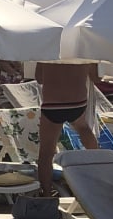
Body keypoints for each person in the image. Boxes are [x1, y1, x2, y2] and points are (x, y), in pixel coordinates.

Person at [35, 62, 100, 195]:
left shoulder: (47, 51)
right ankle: (99, 168)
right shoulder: (84, 51)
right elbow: (96, 78)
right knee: (83, 128)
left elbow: (39, 78)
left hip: (53, 104)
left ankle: (46, 193)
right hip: (77, 102)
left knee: (46, 153)